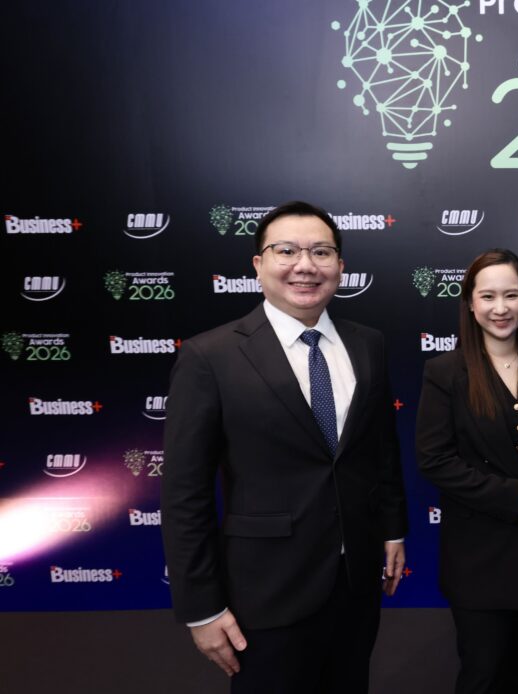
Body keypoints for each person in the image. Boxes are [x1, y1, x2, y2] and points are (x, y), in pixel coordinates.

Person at [161, 201, 408, 693]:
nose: (305, 265)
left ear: (340, 265)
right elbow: (185, 493)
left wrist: (393, 530)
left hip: (355, 584)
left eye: (321, 252)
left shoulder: (369, 344)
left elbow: (381, 450)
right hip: (264, 593)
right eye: (287, 251)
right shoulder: (210, 356)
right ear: (259, 265)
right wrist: (201, 608)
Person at [415, 248, 518, 694]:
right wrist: (510, 496)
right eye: (487, 296)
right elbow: (434, 459)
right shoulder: (444, 371)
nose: (500, 308)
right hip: (477, 558)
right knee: (483, 673)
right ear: (470, 303)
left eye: (511, 295)